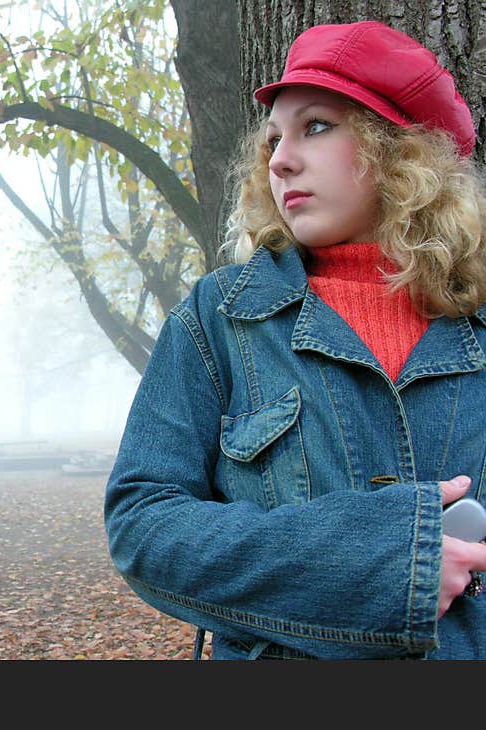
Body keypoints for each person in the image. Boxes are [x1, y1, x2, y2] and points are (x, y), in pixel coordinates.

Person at [103, 20, 486, 660]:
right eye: (274, 138)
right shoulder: (221, 318)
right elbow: (143, 526)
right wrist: (371, 558)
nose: (279, 158)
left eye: (315, 126)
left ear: (399, 151)